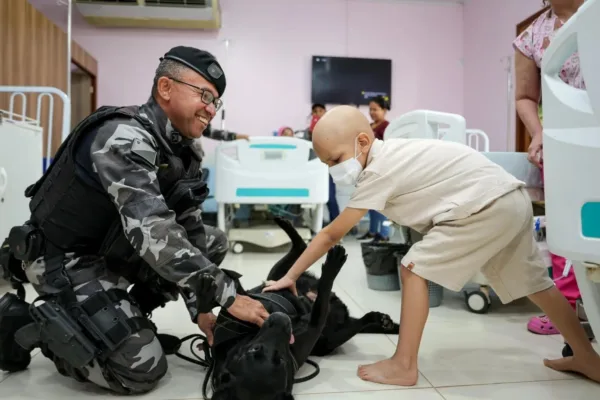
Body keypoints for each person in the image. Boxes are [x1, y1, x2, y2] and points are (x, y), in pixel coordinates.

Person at [263, 105, 600, 386]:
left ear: (363, 141)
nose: (333, 170)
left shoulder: (378, 170)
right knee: (536, 284)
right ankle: (586, 356)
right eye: (325, 165)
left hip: (485, 206)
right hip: (510, 198)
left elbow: (330, 235)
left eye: (335, 160)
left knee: (413, 268)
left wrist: (290, 275)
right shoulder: (391, 153)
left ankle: (404, 364)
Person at [0, 46, 269, 394]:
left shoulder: (184, 153)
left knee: (212, 241)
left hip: (112, 248)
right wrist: (229, 294)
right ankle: (34, 324)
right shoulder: (123, 136)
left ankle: (116, 318)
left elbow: (189, 230)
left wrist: (202, 308)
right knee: (141, 370)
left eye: (216, 101)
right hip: (64, 259)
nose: (210, 109)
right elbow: (153, 230)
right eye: (203, 95)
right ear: (166, 88)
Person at [514, 0, 584, 335]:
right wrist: (538, 133)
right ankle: (568, 308)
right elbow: (525, 96)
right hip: (561, 142)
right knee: (568, 223)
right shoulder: (532, 36)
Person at [358, 96, 391, 242]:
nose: (372, 112)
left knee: (381, 203)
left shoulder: (387, 127)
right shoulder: (369, 127)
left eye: (375, 109)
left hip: (381, 168)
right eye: (370, 109)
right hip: (368, 169)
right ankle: (372, 231)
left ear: (384, 110)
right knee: (370, 203)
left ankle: (384, 234)